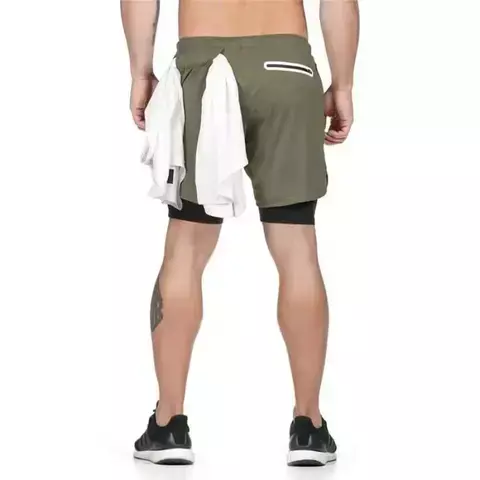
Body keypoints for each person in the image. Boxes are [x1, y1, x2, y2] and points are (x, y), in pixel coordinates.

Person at [121, 0, 359, 467]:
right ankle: (309, 428)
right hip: (288, 67)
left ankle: (168, 426)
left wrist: (140, 72)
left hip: (203, 64)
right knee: (297, 248)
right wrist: (344, 84)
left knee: (186, 245)